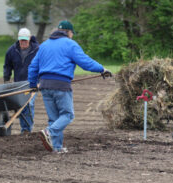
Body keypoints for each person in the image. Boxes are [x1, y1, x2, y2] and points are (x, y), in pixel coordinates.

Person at [28, 20, 112, 153]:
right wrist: (102, 69)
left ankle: (57, 147)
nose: (72, 35)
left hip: (44, 85)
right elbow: (85, 62)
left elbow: (33, 67)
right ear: (68, 32)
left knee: (54, 118)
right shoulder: (70, 44)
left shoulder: (44, 45)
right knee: (67, 115)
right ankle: (49, 132)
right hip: (61, 85)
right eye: (72, 33)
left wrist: (33, 84)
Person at [3, 28, 39, 135]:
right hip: (18, 84)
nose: (23, 42)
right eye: (21, 40)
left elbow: (43, 65)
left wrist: (40, 80)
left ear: (29, 38)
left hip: (32, 83)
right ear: (18, 39)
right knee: (21, 105)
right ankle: (25, 127)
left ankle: (26, 130)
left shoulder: (37, 50)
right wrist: (6, 78)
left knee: (28, 104)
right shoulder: (11, 51)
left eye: (25, 40)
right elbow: (7, 66)